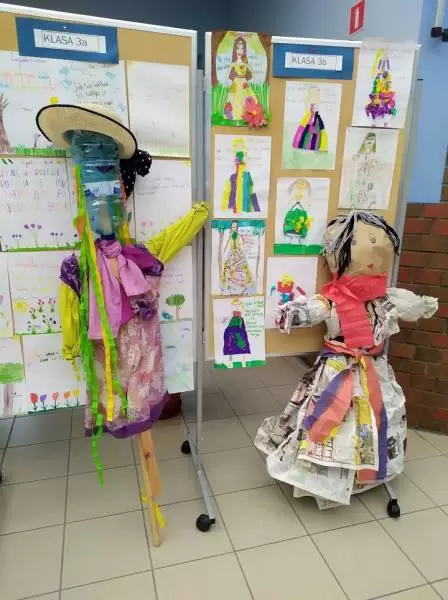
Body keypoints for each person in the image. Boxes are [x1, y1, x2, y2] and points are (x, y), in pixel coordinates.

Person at [255, 211, 438, 507]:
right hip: (338, 370)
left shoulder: (384, 298)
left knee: (371, 419)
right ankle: (327, 476)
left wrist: (421, 305)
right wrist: (290, 312)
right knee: (335, 420)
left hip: (373, 369)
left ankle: (364, 474)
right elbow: (309, 311)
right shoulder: (332, 300)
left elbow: (414, 307)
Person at [221, 138, 260, 214]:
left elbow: (251, 191)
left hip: (245, 210)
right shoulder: (232, 175)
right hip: (233, 211)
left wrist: (256, 209)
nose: (238, 157)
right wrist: (224, 208)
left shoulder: (247, 174)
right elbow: (227, 192)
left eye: (240, 155)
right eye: (236, 154)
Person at [224, 36, 258, 122]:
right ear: (235, 50)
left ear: (244, 50)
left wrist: (254, 79)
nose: (240, 51)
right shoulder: (234, 63)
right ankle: (234, 113)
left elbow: (252, 71)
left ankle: (247, 114)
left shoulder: (245, 63)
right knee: (235, 98)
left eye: (242, 49)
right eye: (238, 48)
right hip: (236, 83)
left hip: (244, 83)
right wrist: (226, 81)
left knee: (245, 97)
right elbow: (228, 72)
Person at [345, 131, 380, 209]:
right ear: (364, 141)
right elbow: (354, 162)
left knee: (367, 200)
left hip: (368, 182)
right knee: (355, 200)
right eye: (368, 139)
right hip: (358, 181)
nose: (370, 141)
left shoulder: (375, 156)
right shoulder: (359, 154)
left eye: (372, 139)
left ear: (375, 142)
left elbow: (375, 168)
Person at [220, 221, 255, 295]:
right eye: (233, 227)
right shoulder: (230, 236)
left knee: (241, 270)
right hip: (232, 254)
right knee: (230, 270)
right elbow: (227, 244)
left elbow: (242, 244)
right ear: (231, 227)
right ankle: (231, 289)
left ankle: (242, 289)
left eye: (235, 227)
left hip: (239, 253)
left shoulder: (239, 236)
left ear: (237, 228)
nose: (234, 228)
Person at [292, 86, 328, 152]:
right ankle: (306, 146)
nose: (313, 107)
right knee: (306, 132)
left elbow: (315, 114)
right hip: (310, 121)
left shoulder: (316, 113)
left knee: (314, 133)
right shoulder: (309, 111)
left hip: (314, 121)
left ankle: (312, 147)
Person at [282, 178, 313, 244]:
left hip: (296, 228)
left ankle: (296, 239)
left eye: (303, 184)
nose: (301, 186)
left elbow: (304, 199)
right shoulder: (297, 195)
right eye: (300, 184)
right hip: (293, 227)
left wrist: (308, 203)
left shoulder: (302, 196)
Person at [222, 298, 251, 368]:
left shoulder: (240, 313)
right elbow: (226, 318)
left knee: (240, 343)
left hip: (238, 329)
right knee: (231, 343)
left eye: (238, 305)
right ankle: (231, 362)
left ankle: (242, 361)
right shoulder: (234, 313)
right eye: (235, 305)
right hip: (233, 328)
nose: (236, 306)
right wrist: (224, 319)